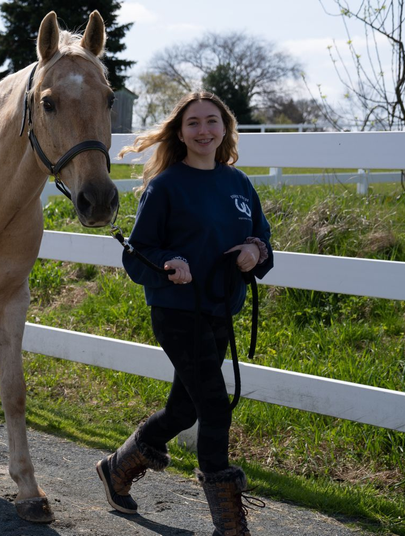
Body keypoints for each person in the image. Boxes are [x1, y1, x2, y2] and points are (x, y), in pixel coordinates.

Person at [95, 91, 273, 536]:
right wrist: (168, 263)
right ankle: (229, 525)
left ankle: (117, 468)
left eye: (212, 121)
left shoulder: (239, 184)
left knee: (184, 409)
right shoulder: (166, 186)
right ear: (180, 131)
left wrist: (254, 250)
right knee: (214, 406)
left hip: (221, 309)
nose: (203, 130)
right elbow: (138, 255)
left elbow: (264, 242)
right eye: (193, 123)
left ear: (225, 129)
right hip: (177, 312)